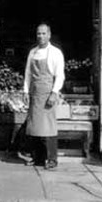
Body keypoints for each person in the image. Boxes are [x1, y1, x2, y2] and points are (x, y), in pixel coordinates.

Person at [22, 23, 65, 170]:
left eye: (43, 33)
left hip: (48, 94)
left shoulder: (55, 53)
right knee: (34, 127)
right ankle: (37, 157)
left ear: (49, 35)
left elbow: (60, 75)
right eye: (38, 33)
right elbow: (28, 73)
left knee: (49, 127)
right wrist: (26, 92)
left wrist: (54, 93)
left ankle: (52, 159)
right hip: (35, 93)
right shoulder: (33, 52)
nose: (40, 36)